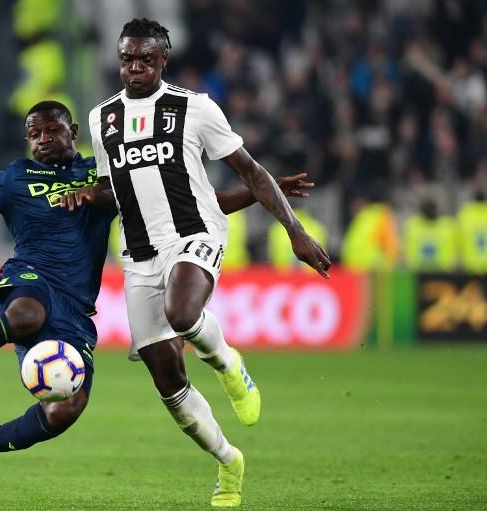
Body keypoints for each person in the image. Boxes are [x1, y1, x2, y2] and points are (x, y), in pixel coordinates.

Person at [0, 100, 314, 495]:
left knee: (65, 412)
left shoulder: (106, 176)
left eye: (51, 130)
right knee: (27, 313)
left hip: (74, 311)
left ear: (72, 131)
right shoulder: (16, 179)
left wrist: (263, 192)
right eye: (33, 133)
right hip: (28, 281)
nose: (42, 139)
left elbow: (189, 203)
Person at [64, 18, 331, 508]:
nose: (135, 68)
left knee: (183, 314)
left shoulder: (195, 108)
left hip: (194, 236)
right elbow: (117, 190)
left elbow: (251, 171)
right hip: (139, 254)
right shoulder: (103, 119)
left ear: (164, 59)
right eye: (127, 59)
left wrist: (295, 230)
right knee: (169, 383)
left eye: (146, 59)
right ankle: (229, 462)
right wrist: (87, 194)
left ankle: (230, 364)